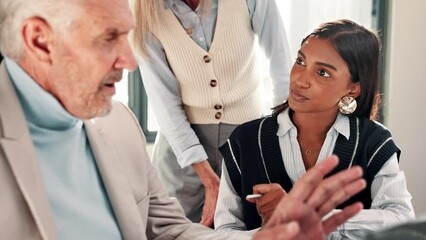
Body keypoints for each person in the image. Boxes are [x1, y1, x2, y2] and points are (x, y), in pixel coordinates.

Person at [0, 0, 366, 239]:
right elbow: (166, 103)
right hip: (185, 140)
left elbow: (169, 230)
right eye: (108, 38)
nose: (129, 62)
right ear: (40, 40)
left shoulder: (118, 126)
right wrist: (206, 177)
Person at [215, 19, 415, 239]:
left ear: (353, 88)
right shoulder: (245, 141)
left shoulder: (374, 142)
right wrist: (274, 233)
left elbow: (401, 218)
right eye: (300, 61)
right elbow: (225, 231)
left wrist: (316, 218)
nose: (300, 80)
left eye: (323, 73)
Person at [130, 0, 292, 226]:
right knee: (173, 231)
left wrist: (277, 139)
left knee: (251, 229)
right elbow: (163, 100)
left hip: (245, 140)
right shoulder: (144, 12)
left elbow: (282, 71)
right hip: (182, 150)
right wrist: (209, 179)